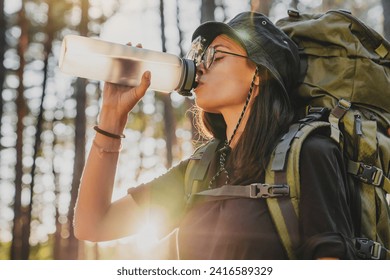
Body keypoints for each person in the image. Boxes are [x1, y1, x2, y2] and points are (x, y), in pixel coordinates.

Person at [74, 11, 357, 259]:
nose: (199, 67)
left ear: (260, 73)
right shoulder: (198, 172)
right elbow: (93, 224)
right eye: (199, 56)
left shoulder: (307, 153)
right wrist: (112, 117)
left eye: (216, 55)